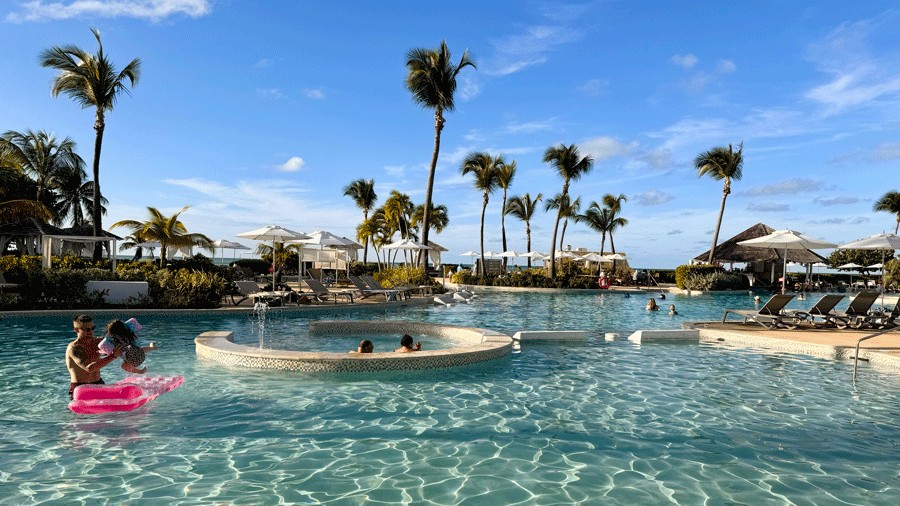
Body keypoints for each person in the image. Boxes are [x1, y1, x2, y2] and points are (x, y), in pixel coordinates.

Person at [66, 314, 123, 398]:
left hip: (98, 383)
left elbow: (120, 344)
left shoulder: (97, 342)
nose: (91, 332)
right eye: (87, 329)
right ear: (76, 329)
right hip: (81, 388)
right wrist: (113, 356)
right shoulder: (74, 348)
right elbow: (89, 368)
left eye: (92, 328)